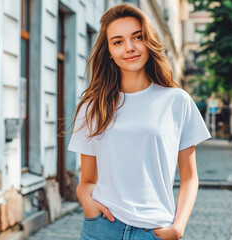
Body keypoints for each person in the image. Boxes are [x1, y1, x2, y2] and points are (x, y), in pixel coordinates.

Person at [68, 3, 211, 240]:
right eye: (118, 42)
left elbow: (189, 176)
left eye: (137, 37)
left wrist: (178, 227)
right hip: (102, 229)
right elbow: (87, 181)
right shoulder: (93, 107)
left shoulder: (177, 101)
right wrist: (88, 203)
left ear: (149, 41)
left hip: (155, 231)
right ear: (109, 52)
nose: (129, 48)